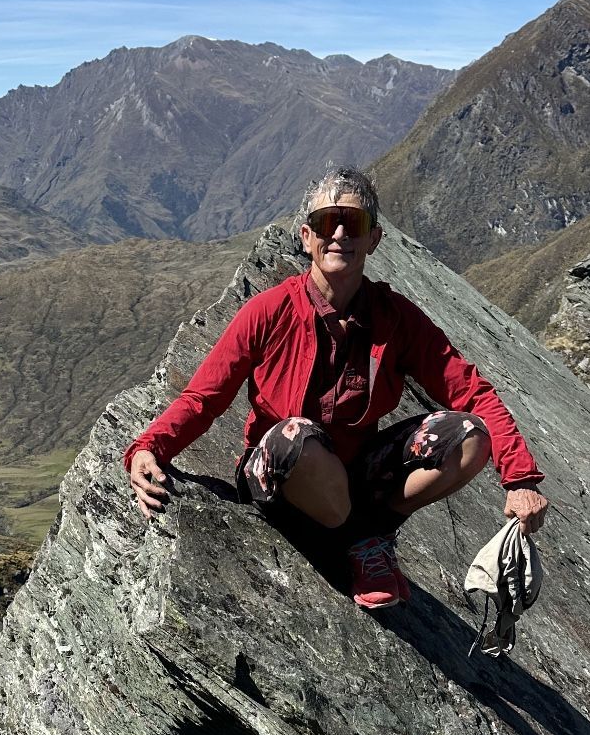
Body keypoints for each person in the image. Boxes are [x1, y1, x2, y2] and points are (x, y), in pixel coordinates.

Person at [124, 166, 548, 608]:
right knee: (296, 435)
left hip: (352, 476)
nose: (341, 233)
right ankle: (360, 542)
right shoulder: (269, 311)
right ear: (307, 237)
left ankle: (366, 536)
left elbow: (472, 393)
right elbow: (205, 397)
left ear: (374, 239)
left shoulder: (395, 319)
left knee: (468, 437)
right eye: (328, 222)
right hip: (278, 475)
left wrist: (519, 478)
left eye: (355, 223)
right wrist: (150, 447)